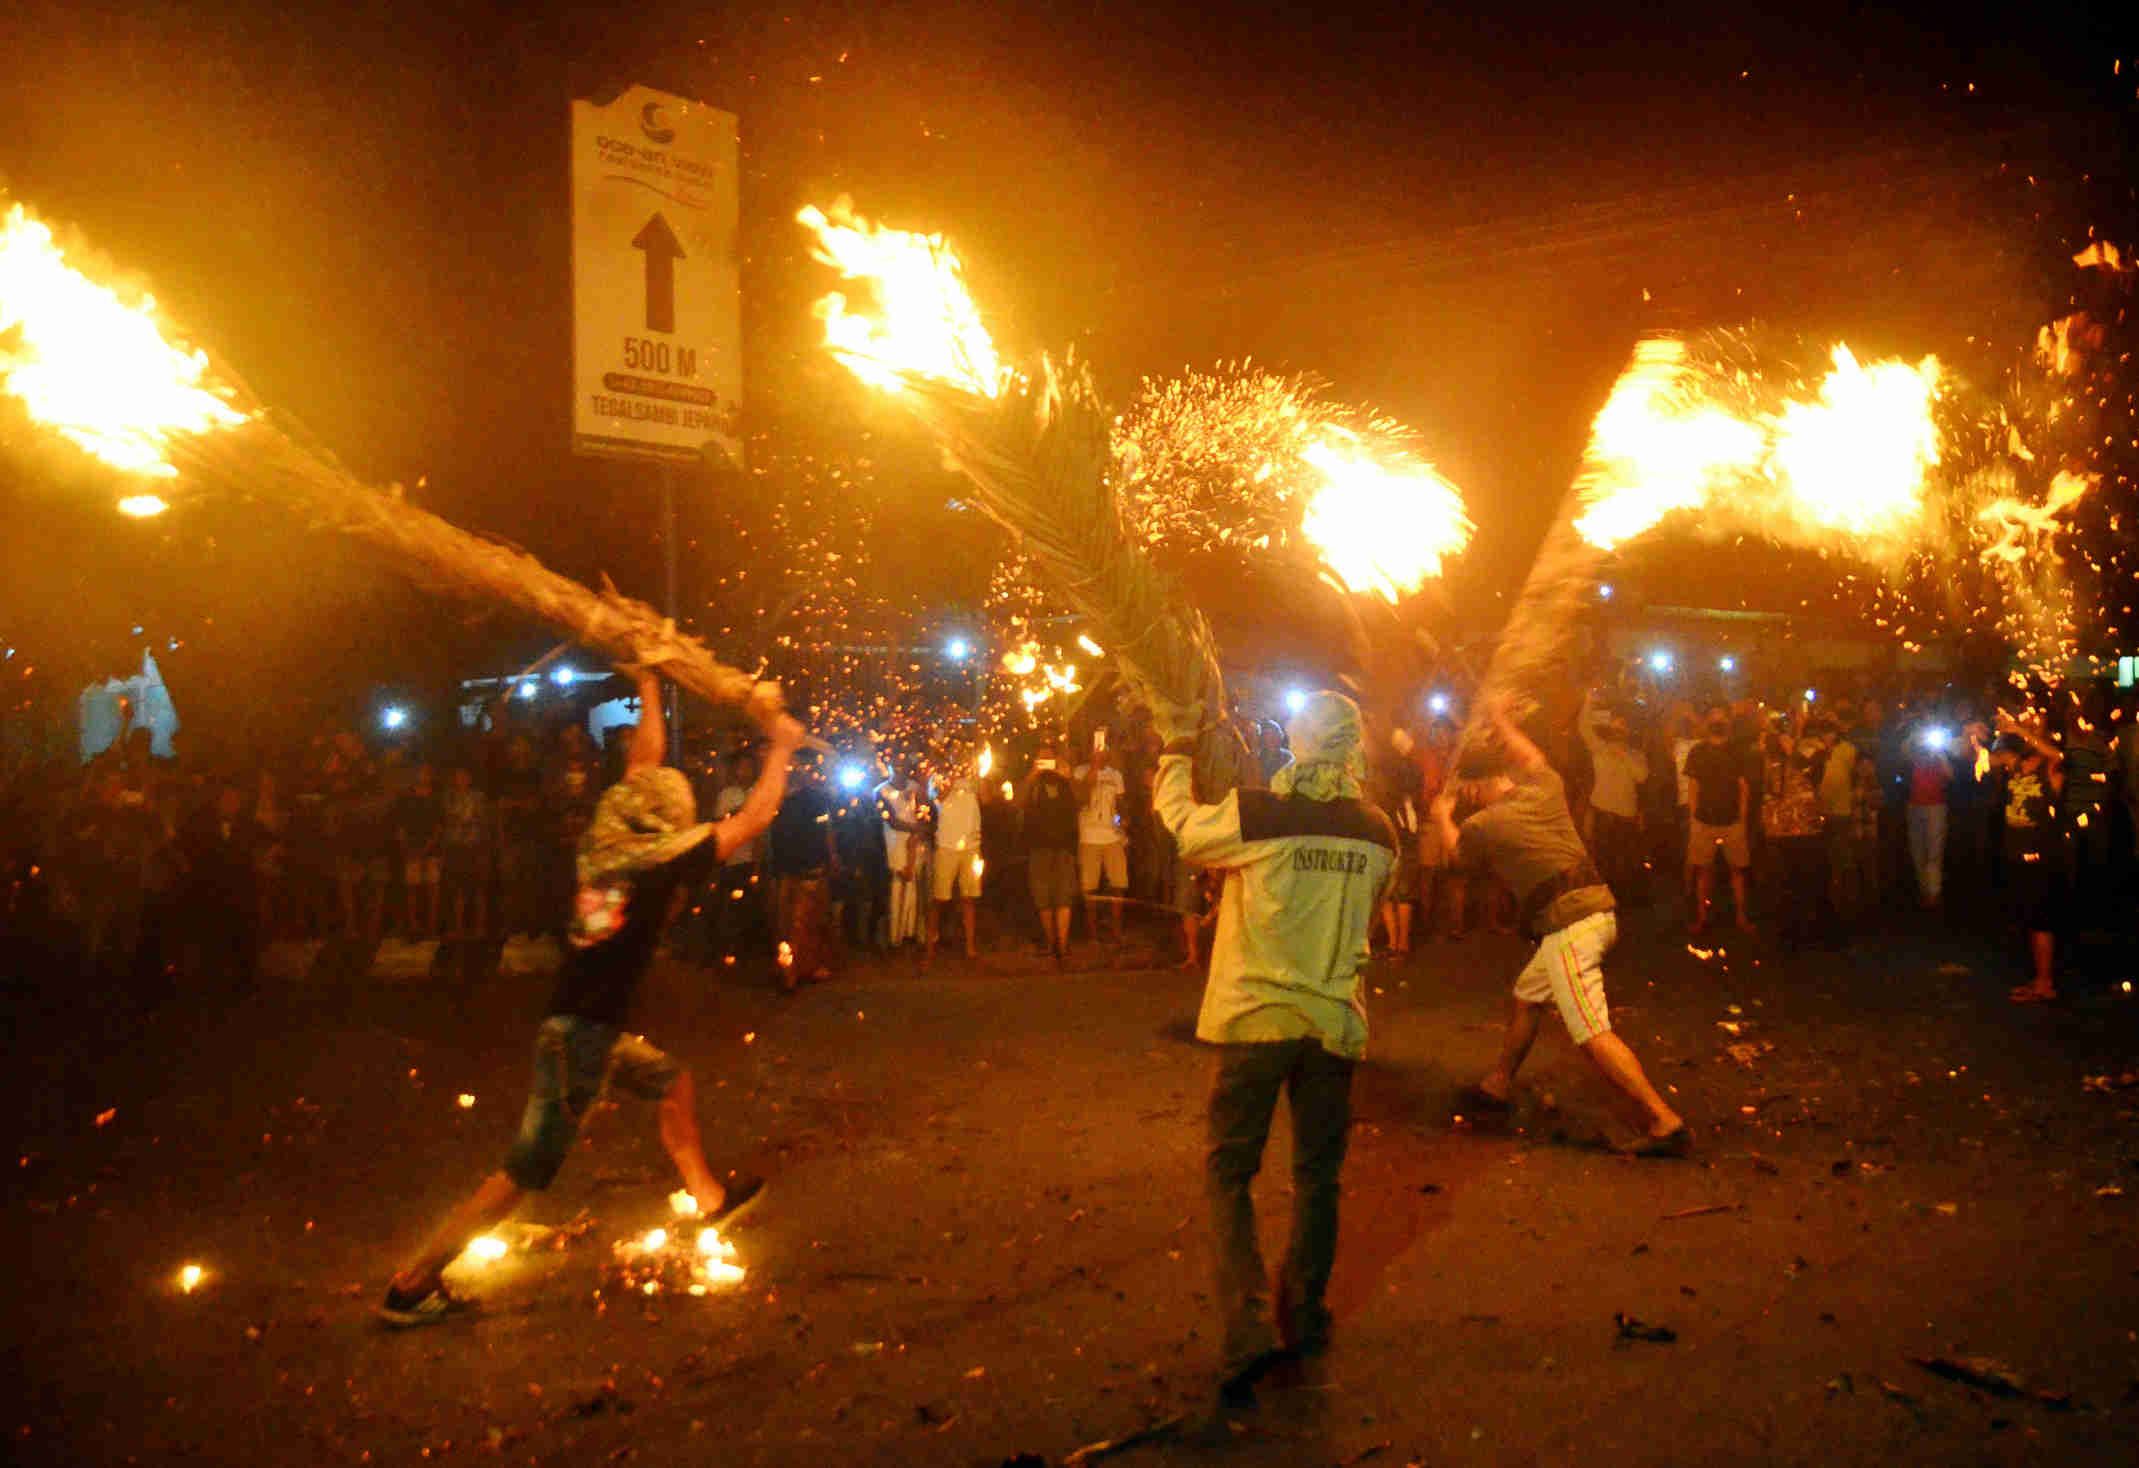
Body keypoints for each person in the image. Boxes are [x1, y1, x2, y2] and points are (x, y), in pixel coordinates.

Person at [379, 666, 805, 1327]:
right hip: (578, 1038)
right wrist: (780, 747)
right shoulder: (660, 863)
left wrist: (651, 682)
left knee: (671, 1081)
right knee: (520, 1175)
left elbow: (642, 763)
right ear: (667, 821)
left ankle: (708, 1196)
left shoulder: (605, 846)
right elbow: (754, 817)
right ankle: (411, 1284)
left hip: (588, 1029)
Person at [1151, 690, 1395, 1404]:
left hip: (1255, 1021)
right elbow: (1371, 908)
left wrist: (1172, 754)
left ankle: (1247, 1329)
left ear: (1298, 739)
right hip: (1331, 1028)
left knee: (1230, 1173)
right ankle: (1306, 1319)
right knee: (1318, 1176)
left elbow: (1182, 829)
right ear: (1353, 745)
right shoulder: (1378, 830)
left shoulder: (1260, 811)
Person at [1430, 698, 1688, 1157]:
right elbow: (1532, 756)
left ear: (1478, 786)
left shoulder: (1486, 825)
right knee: (1528, 995)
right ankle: (1498, 1084)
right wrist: (1502, 722)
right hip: (1598, 913)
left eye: (1470, 791)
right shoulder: (1544, 786)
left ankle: (1662, 1119)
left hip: (1570, 926)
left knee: (1590, 1032)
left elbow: (1455, 857)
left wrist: (1441, 816)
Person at [1993, 713, 2069, 1004]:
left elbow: (2058, 753)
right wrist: (1974, 736)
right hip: (2017, 854)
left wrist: (2021, 730)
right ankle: (2038, 978)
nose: (2028, 728)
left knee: (2041, 921)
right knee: (2028, 919)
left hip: (2042, 856)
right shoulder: (2016, 763)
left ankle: (2045, 984)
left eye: (2035, 725)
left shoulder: (2052, 765)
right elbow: (1986, 759)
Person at [767, 752, 838, 988]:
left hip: (809, 867)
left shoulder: (815, 799)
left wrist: (831, 856)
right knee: (791, 923)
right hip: (787, 868)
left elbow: (826, 830)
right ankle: (791, 972)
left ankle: (801, 969)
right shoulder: (777, 798)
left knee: (805, 921)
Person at [1683, 706, 1753, 934]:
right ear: (1708, 722)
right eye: (1713, 718)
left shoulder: (1737, 751)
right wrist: (1694, 817)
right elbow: (1693, 786)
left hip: (1732, 822)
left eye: (1721, 718)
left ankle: (1741, 917)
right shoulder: (1697, 751)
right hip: (1704, 821)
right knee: (1703, 871)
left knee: (1737, 871)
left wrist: (1742, 818)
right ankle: (1702, 919)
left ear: (1727, 723)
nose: (1717, 722)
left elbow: (1744, 787)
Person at [1578, 689, 1649, 901]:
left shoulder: (1636, 755)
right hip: (1602, 816)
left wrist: (1623, 754)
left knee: (1625, 863)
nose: (1618, 730)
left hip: (1625, 819)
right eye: (1615, 727)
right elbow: (1584, 728)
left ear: (1627, 732)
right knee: (1602, 861)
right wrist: (1587, 702)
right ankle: (1602, 901)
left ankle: (1624, 902)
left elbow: (1642, 776)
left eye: (1622, 727)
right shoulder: (1599, 748)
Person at [1022, 739, 1080, 963]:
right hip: (1039, 846)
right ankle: (1050, 943)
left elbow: (1082, 800)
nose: (1046, 762)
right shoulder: (1034, 783)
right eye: (1042, 758)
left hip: (1064, 846)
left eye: (1049, 758)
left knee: (1064, 895)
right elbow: (1017, 802)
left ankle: (1063, 946)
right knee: (1043, 897)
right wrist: (1031, 776)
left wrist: (1069, 777)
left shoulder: (1065, 780)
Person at [1074, 730, 1129, 947]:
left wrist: (1121, 822)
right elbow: (1080, 798)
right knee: (1090, 887)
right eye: (1095, 748)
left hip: (1112, 837)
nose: (1099, 751)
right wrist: (1095, 768)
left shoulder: (1116, 775)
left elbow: (1121, 804)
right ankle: (1093, 934)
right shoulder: (1080, 772)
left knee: (1119, 884)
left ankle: (1116, 931)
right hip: (1089, 837)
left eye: (1103, 748)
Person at [928, 753, 984, 961]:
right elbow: (936, 801)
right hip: (947, 845)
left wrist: (981, 776)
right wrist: (950, 779)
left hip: (971, 845)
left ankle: (970, 946)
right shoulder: (937, 776)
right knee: (939, 898)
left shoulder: (973, 778)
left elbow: (986, 797)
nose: (960, 759)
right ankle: (930, 947)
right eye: (955, 754)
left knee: (968, 898)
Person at [878, 759, 930, 947]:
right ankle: (895, 937)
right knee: (897, 888)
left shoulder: (915, 787)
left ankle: (913, 933)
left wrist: (919, 831)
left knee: (914, 886)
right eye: (896, 768)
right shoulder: (880, 791)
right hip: (894, 844)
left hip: (914, 844)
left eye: (904, 768)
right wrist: (914, 828)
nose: (900, 771)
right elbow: (890, 820)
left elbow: (924, 812)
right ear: (890, 768)